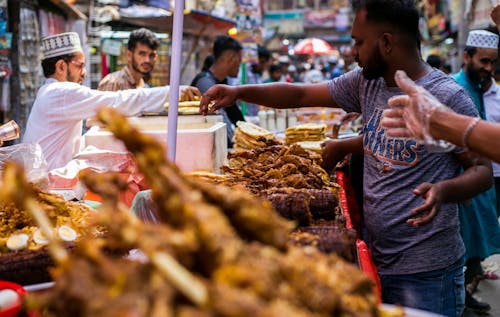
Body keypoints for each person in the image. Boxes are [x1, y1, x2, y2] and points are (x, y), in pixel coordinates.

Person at [199, 1, 493, 315]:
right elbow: (300, 94)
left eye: (359, 42)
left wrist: (444, 190)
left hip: (426, 272)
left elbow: (482, 170)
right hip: (377, 257)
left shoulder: (446, 96)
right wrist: (240, 91)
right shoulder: (367, 83)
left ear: (386, 42)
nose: (353, 51)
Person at [23, 32, 199, 170]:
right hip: (48, 187)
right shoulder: (60, 93)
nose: (84, 72)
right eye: (80, 65)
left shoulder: (50, 92)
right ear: (61, 66)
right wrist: (172, 92)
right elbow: (117, 101)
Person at [450, 28, 500, 314]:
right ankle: (459, 302)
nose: (489, 69)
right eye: (483, 61)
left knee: (475, 243)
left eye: (493, 62)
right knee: (462, 244)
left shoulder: (484, 88)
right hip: (461, 182)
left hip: (483, 179)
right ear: (466, 57)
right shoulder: (454, 89)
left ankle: (465, 297)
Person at [190, 35, 245, 148]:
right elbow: (220, 122)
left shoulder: (222, 82)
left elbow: (235, 115)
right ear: (231, 58)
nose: (239, 67)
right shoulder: (205, 83)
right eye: (239, 61)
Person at [230, 45, 271, 117]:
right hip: (245, 117)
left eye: (265, 63)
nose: (263, 66)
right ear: (254, 60)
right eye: (262, 62)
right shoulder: (242, 74)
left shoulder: (257, 75)